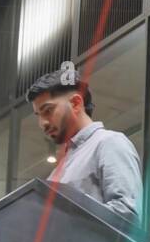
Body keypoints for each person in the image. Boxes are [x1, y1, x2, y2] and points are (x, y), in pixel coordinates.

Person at [26, 68, 142, 221]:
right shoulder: (57, 172)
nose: (42, 123)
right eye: (38, 116)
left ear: (75, 103)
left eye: (47, 110)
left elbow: (128, 216)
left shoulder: (109, 143)